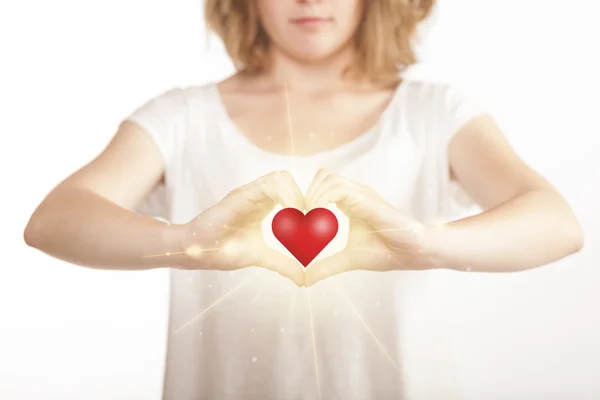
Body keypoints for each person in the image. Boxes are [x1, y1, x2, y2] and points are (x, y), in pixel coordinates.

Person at [24, 0, 584, 398]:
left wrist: (426, 245)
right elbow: (55, 220)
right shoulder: (183, 116)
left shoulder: (433, 111)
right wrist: (187, 243)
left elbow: (557, 223)